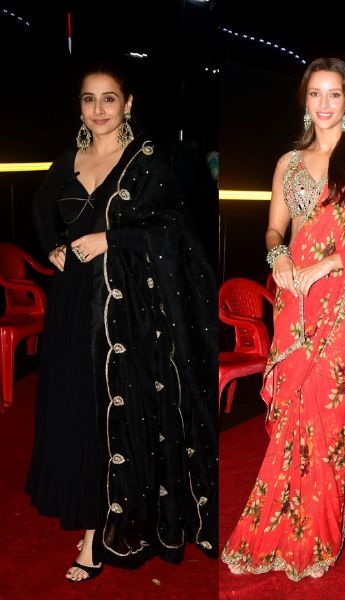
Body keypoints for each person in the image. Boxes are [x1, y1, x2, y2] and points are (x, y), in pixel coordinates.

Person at [27, 62, 218, 582]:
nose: (98, 109)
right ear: (79, 107)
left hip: (123, 312)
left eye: (108, 98)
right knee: (73, 409)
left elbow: (175, 233)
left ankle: (97, 535)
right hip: (72, 303)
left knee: (104, 414)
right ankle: (86, 512)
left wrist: (112, 238)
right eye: (88, 99)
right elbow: (42, 209)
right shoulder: (69, 158)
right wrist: (53, 247)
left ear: (127, 104)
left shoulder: (147, 162)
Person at [220, 58, 345, 581]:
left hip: (341, 303)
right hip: (293, 302)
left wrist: (327, 263)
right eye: (315, 94)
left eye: (334, 94)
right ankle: (278, 525)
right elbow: (275, 230)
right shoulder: (288, 163)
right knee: (292, 415)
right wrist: (278, 256)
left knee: (328, 416)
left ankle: (317, 535)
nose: (324, 103)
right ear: (304, 101)